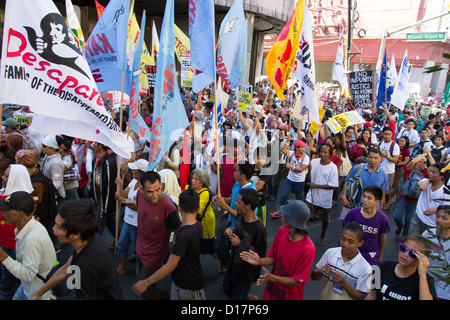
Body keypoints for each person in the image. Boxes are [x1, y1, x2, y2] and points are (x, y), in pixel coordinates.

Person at [32, 199, 123, 300]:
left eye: (58, 227)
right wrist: (38, 293)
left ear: (76, 234)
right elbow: (66, 269)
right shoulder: (89, 239)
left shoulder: (86, 265)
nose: (53, 229)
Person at [131, 189, 205, 300]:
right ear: (198, 209)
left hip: (185, 285)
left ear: (179, 208)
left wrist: (146, 282)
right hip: (193, 278)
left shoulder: (184, 235)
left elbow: (170, 265)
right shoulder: (198, 226)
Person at [240, 200, 315, 300]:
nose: (281, 215)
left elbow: (296, 281)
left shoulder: (308, 249)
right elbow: (273, 258)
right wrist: (259, 261)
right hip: (272, 291)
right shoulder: (282, 231)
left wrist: (272, 278)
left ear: (293, 221)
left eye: (286, 214)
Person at [0, 191, 56, 300]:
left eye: (6, 209)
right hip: (28, 287)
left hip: (36, 293)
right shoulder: (32, 226)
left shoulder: (32, 240)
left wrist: (3, 257)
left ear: (19, 214)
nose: (2, 212)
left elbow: (28, 274)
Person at [134, 171, 181, 300]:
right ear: (142, 189)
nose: (155, 195)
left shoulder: (168, 205)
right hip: (139, 247)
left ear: (161, 185)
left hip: (155, 254)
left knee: (144, 288)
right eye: (150, 191)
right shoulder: (138, 194)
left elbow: (177, 229)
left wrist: (173, 252)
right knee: (144, 283)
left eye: (158, 189)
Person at [222, 188, 267, 300]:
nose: (235, 204)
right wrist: (229, 230)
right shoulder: (241, 216)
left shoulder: (259, 228)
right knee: (227, 288)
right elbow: (236, 230)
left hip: (246, 272)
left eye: (238, 202)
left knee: (236, 297)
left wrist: (240, 244)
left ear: (248, 206)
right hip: (233, 264)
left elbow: (259, 253)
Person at [311, 223, 373, 300]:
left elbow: (360, 297)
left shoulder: (365, 268)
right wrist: (320, 272)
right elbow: (313, 277)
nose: (345, 244)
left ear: (360, 243)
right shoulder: (330, 253)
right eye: (342, 239)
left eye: (350, 242)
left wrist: (343, 283)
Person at [0, 164, 35, 299]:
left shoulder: (18, 199)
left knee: (9, 279)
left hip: (11, 245)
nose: (2, 177)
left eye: (6, 176)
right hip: (7, 243)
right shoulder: (14, 194)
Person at [365, 235, 435, 300]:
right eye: (403, 248)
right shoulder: (382, 267)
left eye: (413, 253)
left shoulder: (424, 281)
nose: (405, 254)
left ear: (422, 259)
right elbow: (372, 294)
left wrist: (422, 274)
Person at [343, 185, 391, 266]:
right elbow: (345, 229)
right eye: (363, 196)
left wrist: (380, 255)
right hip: (352, 252)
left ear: (377, 202)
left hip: (370, 255)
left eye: (369, 198)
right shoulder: (353, 213)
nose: (364, 200)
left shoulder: (382, 219)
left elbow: (382, 237)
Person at [114, 159, 147, 275]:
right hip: (128, 221)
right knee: (122, 244)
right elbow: (123, 194)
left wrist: (122, 200)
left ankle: (142, 272)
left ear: (141, 172)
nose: (132, 171)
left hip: (137, 224)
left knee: (138, 249)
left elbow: (139, 207)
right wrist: (119, 186)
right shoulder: (133, 181)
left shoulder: (145, 188)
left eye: (135, 170)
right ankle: (121, 267)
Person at [305, 143, 339, 245]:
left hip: (325, 198)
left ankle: (322, 235)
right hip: (312, 195)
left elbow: (333, 185)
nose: (322, 154)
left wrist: (316, 186)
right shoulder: (314, 162)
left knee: (325, 219)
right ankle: (303, 234)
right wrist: (309, 170)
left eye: (325, 152)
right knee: (306, 215)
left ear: (330, 154)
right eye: (321, 151)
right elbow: (308, 179)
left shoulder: (333, 167)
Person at [393, 151, 430, 237]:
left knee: (408, 220)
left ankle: (404, 237)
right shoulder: (409, 170)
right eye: (424, 162)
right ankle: (400, 226)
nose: (425, 164)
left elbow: (436, 167)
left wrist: (429, 154)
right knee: (397, 217)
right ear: (418, 162)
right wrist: (424, 154)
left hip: (415, 201)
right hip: (404, 198)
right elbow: (412, 162)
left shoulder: (426, 172)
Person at [270, 138, 309, 219]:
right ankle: (278, 212)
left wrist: (291, 166)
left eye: (304, 147)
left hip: (300, 181)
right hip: (290, 179)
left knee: (298, 198)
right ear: (297, 148)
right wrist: (286, 140)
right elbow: (282, 149)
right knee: (284, 195)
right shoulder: (291, 154)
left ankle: (298, 214)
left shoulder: (306, 157)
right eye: (301, 147)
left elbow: (301, 169)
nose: (303, 148)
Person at [409, 162, 450, 235]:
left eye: (434, 173)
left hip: (431, 224)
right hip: (418, 217)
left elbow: (446, 209)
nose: (430, 174)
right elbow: (422, 187)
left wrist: (435, 211)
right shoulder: (425, 182)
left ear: (441, 177)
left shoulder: (446, 193)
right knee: (412, 240)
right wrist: (429, 179)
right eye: (430, 171)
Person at [89, 142, 117, 240]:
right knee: (110, 222)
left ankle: (92, 246)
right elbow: (94, 180)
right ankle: (121, 240)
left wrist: (106, 205)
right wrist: (93, 196)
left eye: (95, 144)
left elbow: (110, 186)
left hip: (105, 200)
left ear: (100, 146)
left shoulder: (109, 162)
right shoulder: (95, 160)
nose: (93, 146)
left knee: (97, 226)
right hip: (99, 197)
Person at [422, 205, 450, 300]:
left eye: (444, 218)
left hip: (443, 290)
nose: (439, 220)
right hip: (425, 281)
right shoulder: (428, 233)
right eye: (437, 216)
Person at [378, 127, 400, 210]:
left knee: (388, 189)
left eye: (389, 134)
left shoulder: (394, 145)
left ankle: (388, 201)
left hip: (389, 171)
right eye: (386, 134)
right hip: (379, 169)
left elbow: (395, 160)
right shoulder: (380, 143)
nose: (387, 136)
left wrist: (385, 155)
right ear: (382, 134)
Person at [41, 135, 65, 199]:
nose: (42, 147)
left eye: (45, 146)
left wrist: (46, 192)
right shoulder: (47, 156)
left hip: (55, 196)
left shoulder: (56, 163)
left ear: (53, 148)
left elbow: (56, 182)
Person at [58, 136, 80, 200]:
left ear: (62, 149)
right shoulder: (63, 157)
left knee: (75, 204)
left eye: (59, 147)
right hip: (67, 186)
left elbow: (62, 169)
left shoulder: (67, 158)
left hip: (70, 186)